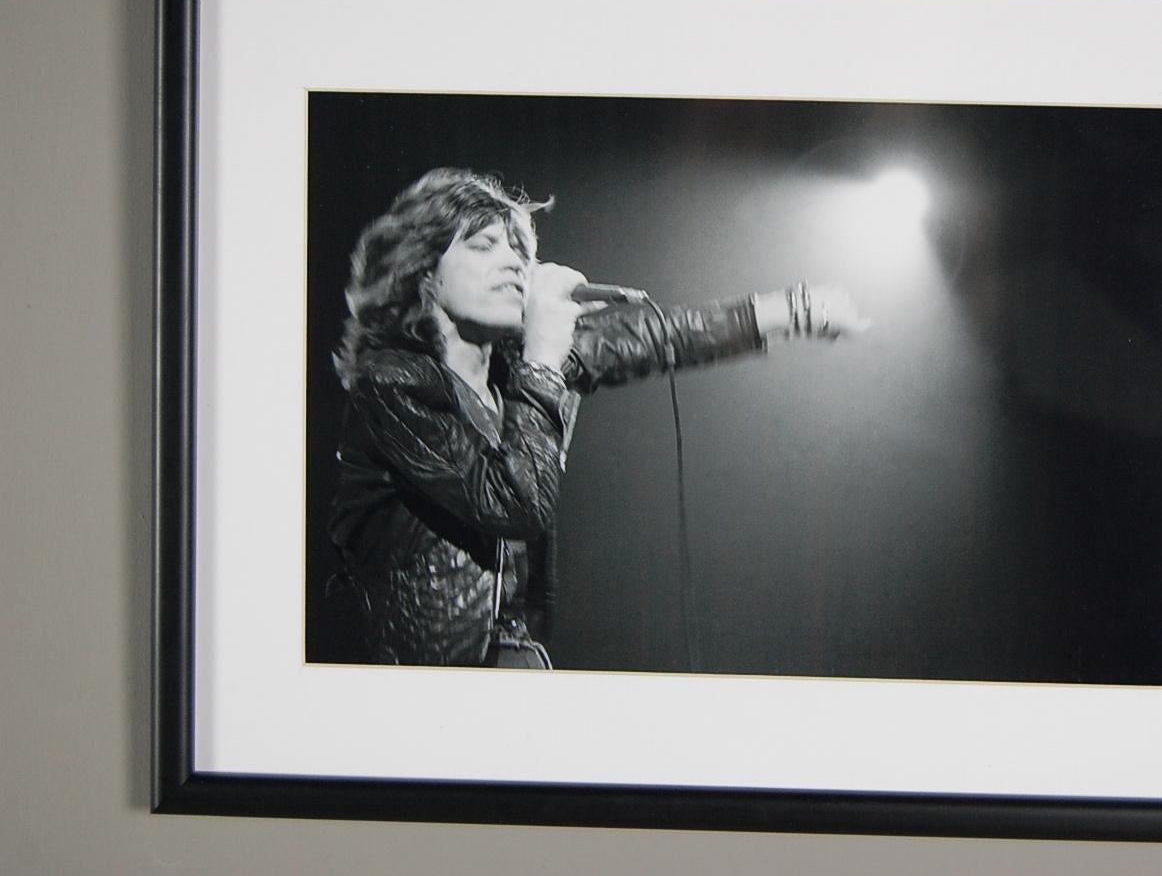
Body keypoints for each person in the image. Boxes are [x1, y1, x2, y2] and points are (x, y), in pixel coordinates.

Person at [327, 168, 866, 668]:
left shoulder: (514, 373)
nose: (515, 263)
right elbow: (511, 502)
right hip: (423, 681)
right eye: (484, 245)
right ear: (423, 272)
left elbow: (652, 336)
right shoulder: (392, 383)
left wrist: (794, 309)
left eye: (519, 250)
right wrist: (541, 363)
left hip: (515, 661)